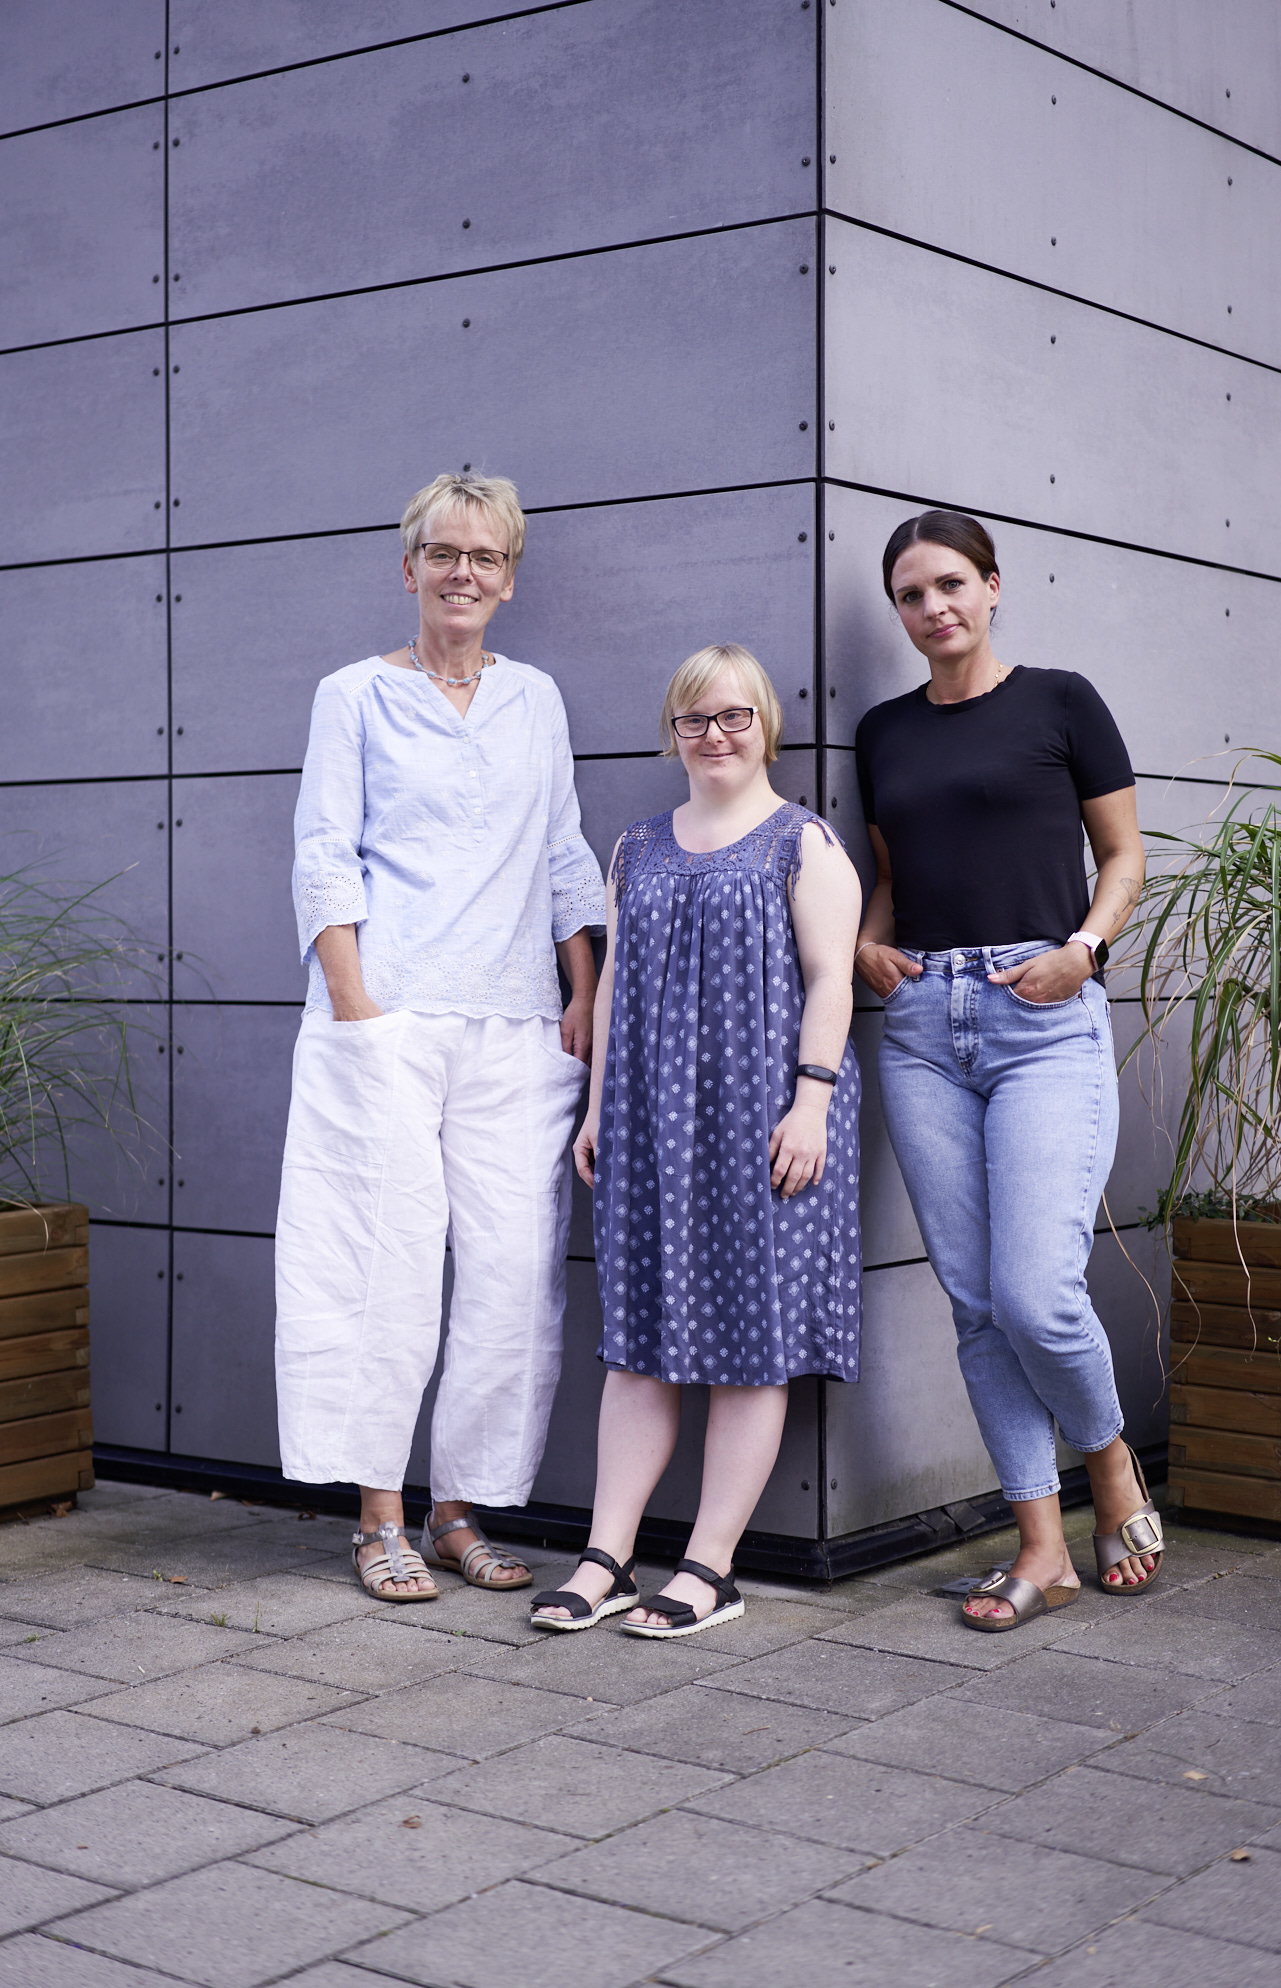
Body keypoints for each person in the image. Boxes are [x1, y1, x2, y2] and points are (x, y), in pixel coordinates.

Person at [274, 471, 604, 1602]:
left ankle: (459, 1507)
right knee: (384, 1264)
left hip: (519, 1025)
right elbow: (325, 848)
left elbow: (563, 850)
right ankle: (378, 1516)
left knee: (512, 1274)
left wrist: (582, 991)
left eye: (487, 557)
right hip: (390, 1018)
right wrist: (357, 1003)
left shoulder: (537, 699)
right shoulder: (353, 695)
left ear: (511, 578)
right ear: (406, 565)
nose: (465, 572)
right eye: (444, 552)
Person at [853, 510, 1162, 1632]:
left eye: (949, 585)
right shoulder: (885, 731)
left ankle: (1109, 1455)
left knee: (1036, 1291)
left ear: (993, 586)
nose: (931, 608)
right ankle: (1042, 1544)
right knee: (979, 1305)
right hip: (925, 1019)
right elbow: (896, 872)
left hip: (1042, 1013)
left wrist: (1083, 951)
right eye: (909, 595)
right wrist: (864, 941)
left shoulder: (1062, 701)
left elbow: (1123, 853)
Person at [530, 644, 862, 1637]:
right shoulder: (633, 847)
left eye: (734, 717)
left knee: (749, 1348)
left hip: (766, 1121)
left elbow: (833, 980)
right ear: (672, 731)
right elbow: (618, 982)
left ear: (766, 726)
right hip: (647, 1122)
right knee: (639, 1343)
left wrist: (811, 1104)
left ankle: (710, 1567)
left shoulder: (805, 844)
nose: (714, 736)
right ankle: (606, 1556)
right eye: (694, 719)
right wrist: (596, 1110)